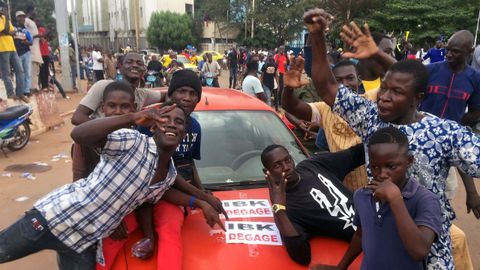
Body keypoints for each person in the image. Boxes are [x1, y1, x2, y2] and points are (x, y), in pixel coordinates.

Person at [301, 9, 480, 269]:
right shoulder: (370, 117)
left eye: (397, 92)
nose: (384, 96)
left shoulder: (444, 132)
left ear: (417, 98)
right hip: (382, 239)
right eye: (384, 88)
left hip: (428, 250)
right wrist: (316, 36)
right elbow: (326, 86)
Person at [0, 101, 223, 270]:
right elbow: (79, 134)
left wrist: (202, 202)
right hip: (52, 219)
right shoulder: (132, 141)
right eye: (166, 120)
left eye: (179, 122)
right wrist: (133, 117)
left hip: (83, 245)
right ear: (154, 127)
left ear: (183, 134)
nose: (172, 124)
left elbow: (164, 195)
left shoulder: (169, 173)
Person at [313, 127, 442, 270]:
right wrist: (341, 267)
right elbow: (360, 236)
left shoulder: (425, 200)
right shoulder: (362, 195)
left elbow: (420, 251)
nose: (382, 174)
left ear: (409, 161)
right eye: (375, 167)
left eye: (391, 166)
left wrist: (396, 200)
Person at [282, 58, 386, 191]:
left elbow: (398, 80)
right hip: (344, 192)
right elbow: (292, 106)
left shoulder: (372, 99)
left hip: (376, 189)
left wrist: (378, 54)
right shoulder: (324, 109)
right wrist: (288, 88)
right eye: (338, 81)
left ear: (359, 80)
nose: (344, 85)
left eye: (350, 78)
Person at [261, 142, 365, 265]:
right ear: (267, 172)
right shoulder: (289, 207)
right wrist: (279, 209)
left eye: (288, 160)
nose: (286, 167)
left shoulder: (312, 165)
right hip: (370, 238)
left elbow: (357, 154)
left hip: (379, 215)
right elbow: (302, 256)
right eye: (277, 165)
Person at [71, 52, 163, 126]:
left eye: (139, 63)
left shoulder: (142, 94)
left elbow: (167, 95)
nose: (135, 65)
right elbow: (77, 117)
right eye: (129, 62)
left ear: (144, 70)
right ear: (120, 67)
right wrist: (107, 135)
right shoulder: (103, 86)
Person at [420, 30, 480, 127]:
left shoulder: (475, 79)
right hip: (421, 130)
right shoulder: (429, 70)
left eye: (455, 51)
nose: (448, 54)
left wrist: (454, 125)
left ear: (470, 51)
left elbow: (475, 112)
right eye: (447, 49)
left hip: (451, 135)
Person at [0, 2, 27, 102]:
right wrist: (7, 27)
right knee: (6, 73)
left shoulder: (5, 19)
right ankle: (10, 93)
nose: (5, 11)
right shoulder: (5, 19)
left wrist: (6, 32)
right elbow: (6, 30)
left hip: (12, 48)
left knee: (20, 71)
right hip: (2, 49)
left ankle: (20, 93)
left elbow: (12, 31)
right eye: (4, 9)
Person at [13, 11, 32, 97]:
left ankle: (26, 90)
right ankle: (19, 90)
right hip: (17, 53)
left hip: (26, 52)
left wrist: (27, 42)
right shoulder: (13, 28)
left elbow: (31, 42)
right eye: (20, 17)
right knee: (20, 73)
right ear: (17, 18)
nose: (22, 18)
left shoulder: (26, 30)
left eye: (23, 17)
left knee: (27, 72)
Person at [24, 5, 42, 92]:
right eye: (35, 10)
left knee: (36, 70)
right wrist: (36, 36)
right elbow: (24, 34)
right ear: (30, 11)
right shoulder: (26, 21)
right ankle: (31, 88)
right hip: (31, 49)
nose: (36, 13)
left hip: (36, 49)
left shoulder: (32, 22)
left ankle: (35, 87)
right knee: (32, 70)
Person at [38, 26, 50, 91]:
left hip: (45, 54)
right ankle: (43, 86)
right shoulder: (38, 30)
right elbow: (42, 40)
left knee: (45, 71)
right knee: (42, 71)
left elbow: (43, 39)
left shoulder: (42, 29)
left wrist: (45, 37)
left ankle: (46, 85)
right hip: (41, 54)